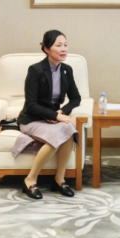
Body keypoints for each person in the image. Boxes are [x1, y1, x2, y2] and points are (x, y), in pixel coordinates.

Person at [16, 29, 81, 199]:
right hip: (32, 119)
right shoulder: (35, 70)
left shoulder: (67, 70)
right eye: (58, 45)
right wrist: (56, 116)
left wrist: (62, 111)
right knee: (56, 135)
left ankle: (59, 179)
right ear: (46, 49)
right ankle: (30, 179)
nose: (63, 49)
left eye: (65, 45)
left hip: (52, 119)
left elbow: (76, 98)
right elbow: (31, 104)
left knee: (69, 130)